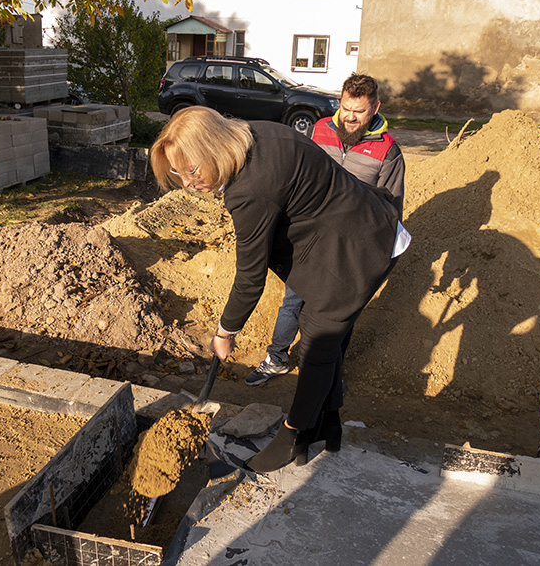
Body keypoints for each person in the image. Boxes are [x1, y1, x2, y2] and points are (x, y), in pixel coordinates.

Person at [150, 106, 410, 473]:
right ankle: (327, 425)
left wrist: (225, 332)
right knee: (324, 334)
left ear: (214, 146)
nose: (189, 183)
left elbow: (250, 276)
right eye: (179, 174)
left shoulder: (249, 190)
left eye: (193, 170)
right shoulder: (257, 133)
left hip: (357, 251)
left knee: (317, 342)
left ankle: (293, 437)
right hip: (364, 226)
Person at [246, 73, 406, 387]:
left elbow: (391, 208)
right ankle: (277, 358)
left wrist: (378, 255)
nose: (350, 116)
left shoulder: (388, 150)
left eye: (359, 111)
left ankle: (328, 373)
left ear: (375, 108)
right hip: (309, 237)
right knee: (293, 301)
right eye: (346, 107)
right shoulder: (320, 131)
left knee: (339, 315)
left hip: (350, 248)